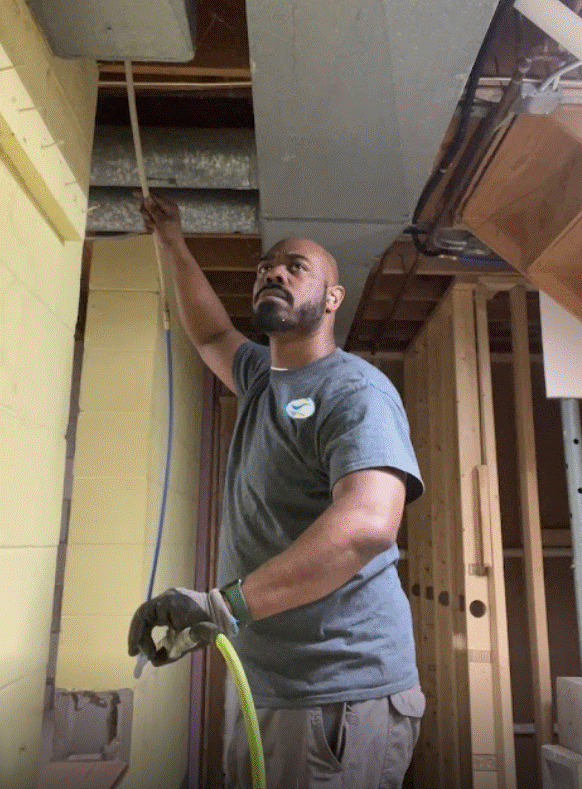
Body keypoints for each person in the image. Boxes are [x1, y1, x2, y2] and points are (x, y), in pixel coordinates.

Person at [128, 194, 426, 789]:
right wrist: (173, 242)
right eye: (267, 266)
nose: (274, 272)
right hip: (270, 681)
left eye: (295, 266)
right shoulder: (263, 379)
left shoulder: (353, 390)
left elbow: (368, 523)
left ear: (333, 299)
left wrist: (222, 606)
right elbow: (212, 330)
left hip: (335, 690)